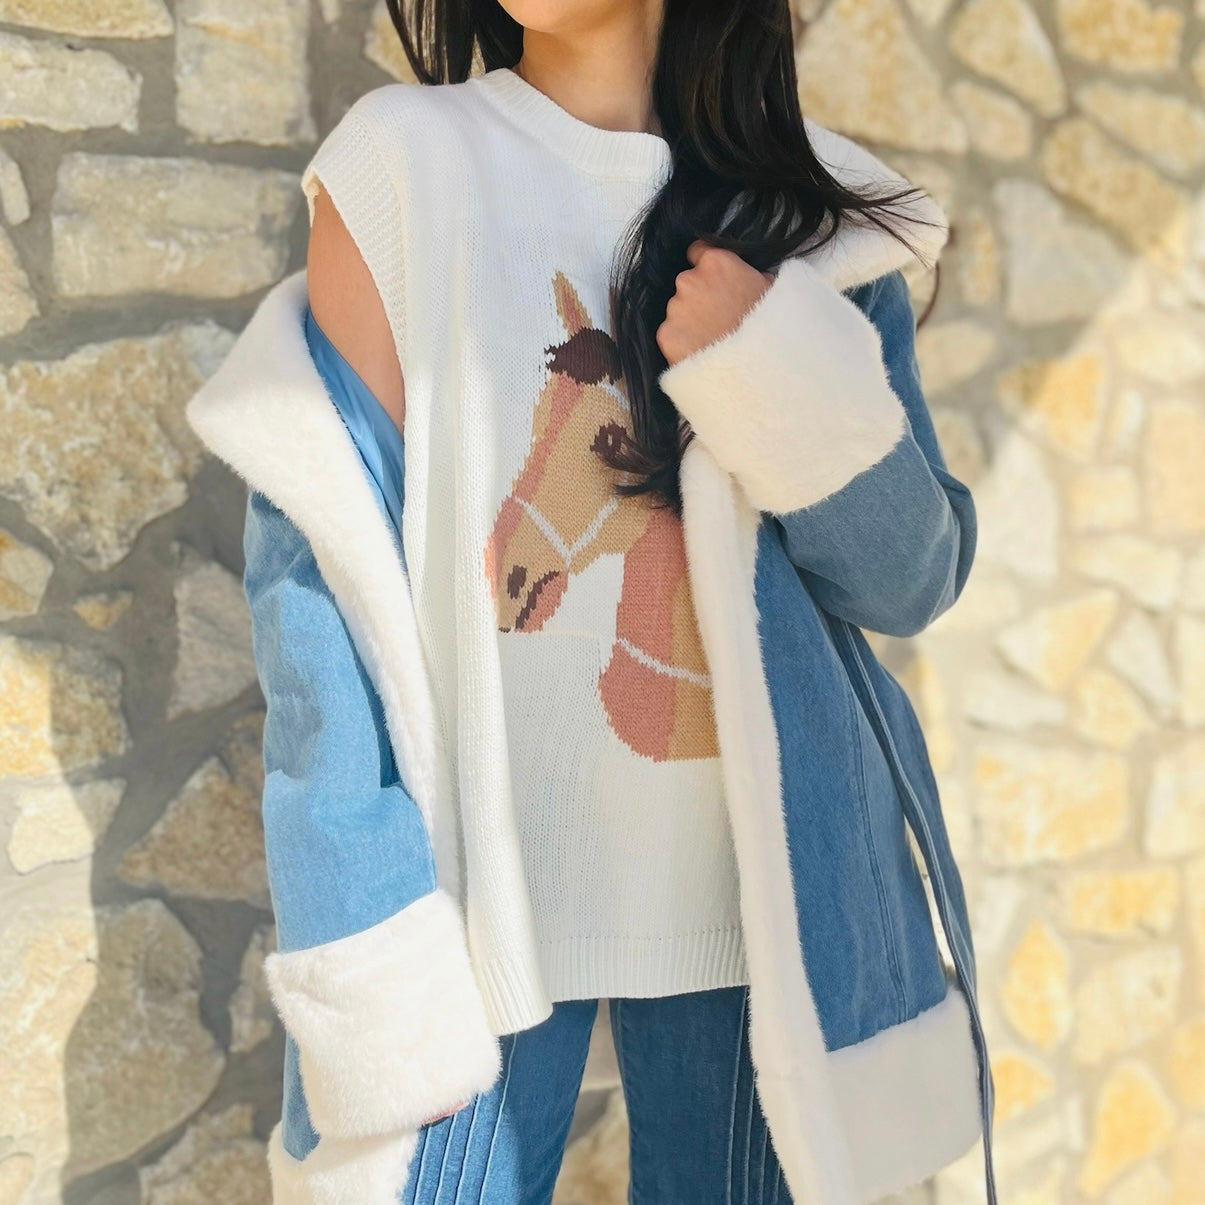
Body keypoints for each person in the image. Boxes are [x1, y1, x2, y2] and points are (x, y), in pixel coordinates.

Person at [186, 1, 999, 1202]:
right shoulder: (404, 164)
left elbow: (909, 575)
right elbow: (319, 585)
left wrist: (772, 363)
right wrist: (362, 921)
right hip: (471, 923)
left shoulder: (809, 217)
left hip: (756, 923)